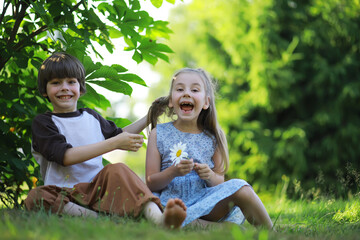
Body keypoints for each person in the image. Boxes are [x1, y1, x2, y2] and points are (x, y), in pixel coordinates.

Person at [24, 52, 186, 229]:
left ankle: (159, 219)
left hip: (98, 191)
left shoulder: (91, 117)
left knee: (118, 169)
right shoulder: (44, 123)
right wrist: (115, 143)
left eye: (71, 82)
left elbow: (118, 135)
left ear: (81, 87)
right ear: (44, 90)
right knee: (37, 197)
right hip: (64, 194)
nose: (64, 88)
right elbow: (66, 156)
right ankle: (98, 219)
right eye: (56, 83)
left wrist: (149, 116)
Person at [145, 68, 273, 229]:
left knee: (243, 187)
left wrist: (209, 175)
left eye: (194, 90)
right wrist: (173, 172)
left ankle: (271, 232)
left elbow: (219, 180)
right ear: (171, 100)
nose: (186, 93)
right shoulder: (159, 134)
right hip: (171, 203)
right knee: (171, 218)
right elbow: (150, 183)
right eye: (179, 89)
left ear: (206, 102)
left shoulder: (213, 136)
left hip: (206, 201)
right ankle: (217, 229)